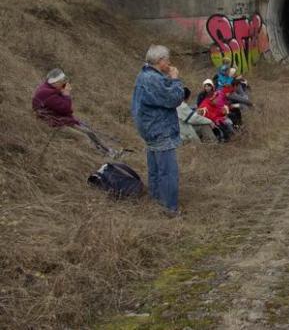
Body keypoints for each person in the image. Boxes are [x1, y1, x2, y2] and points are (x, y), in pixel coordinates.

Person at [131, 45, 185, 215]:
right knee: (168, 171)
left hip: (149, 128)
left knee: (155, 169)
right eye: (167, 60)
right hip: (160, 129)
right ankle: (170, 208)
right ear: (160, 61)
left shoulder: (145, 76)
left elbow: (159, 95)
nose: (169, 63)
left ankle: (156, 202)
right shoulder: (152, 79)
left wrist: (168, 79)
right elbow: (173, 99)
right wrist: (176, 79)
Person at [32, 68, 121, 158]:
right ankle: (102, 156)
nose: (64, 84)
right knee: (84, 136)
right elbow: (66, 109)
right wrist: (66, 95)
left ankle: (109, 151)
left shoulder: (49, 89)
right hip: (54, 124)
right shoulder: (47, 94)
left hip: (59, 119)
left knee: (88, 130)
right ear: (55, 82)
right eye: (62, 82)